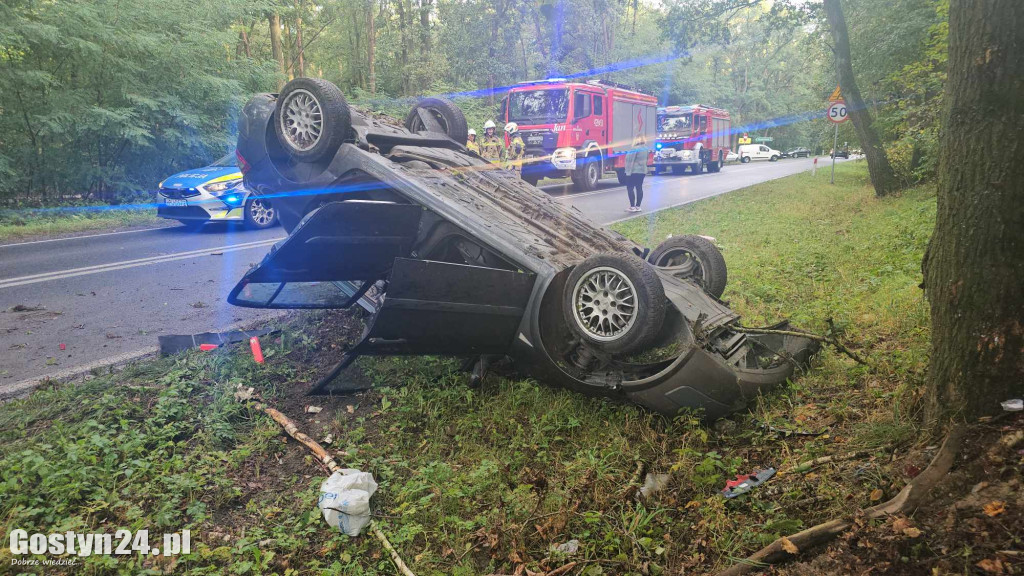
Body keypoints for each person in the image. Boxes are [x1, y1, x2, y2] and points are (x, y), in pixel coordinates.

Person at [624, 134, 649, 212]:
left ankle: (632, 207)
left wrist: (627, 172)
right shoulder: (646, 149)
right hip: (642, 171)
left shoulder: (634, 149)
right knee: (639, 188)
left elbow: (629, 161)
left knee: (630, 188)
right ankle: (638, 206)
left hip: (633, 171)